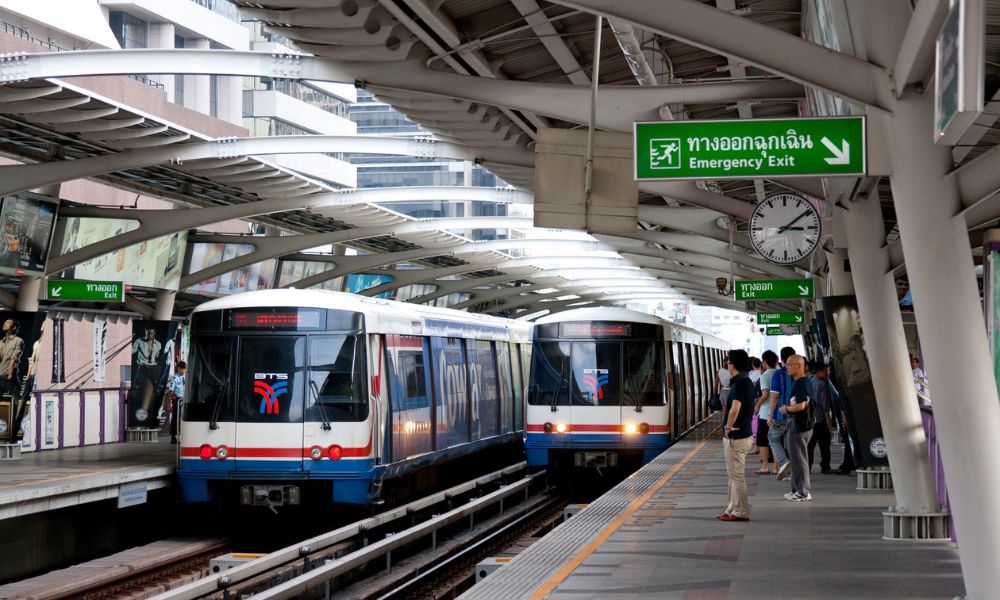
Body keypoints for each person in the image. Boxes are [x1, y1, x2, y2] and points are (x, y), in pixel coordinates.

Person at [717, 349, 756, 522]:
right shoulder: (745, 382)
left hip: (737, 437)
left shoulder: (739, 385)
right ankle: (732, 508)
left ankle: (740, 511)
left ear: (733, 364)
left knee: (737, 477)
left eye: (729, 361)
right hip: (741, 436)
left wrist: (728, 427)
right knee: (733, 476)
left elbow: (735, 408)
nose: (727, 364)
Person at [779, 355, 814, 501]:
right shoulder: (805, 381)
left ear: (800, 366)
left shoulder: (800, 383)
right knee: (796, 458)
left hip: (799, 424)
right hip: (804, 424)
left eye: (789, 365)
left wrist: (786, 409)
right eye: (786, 364)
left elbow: (801, 405)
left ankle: (803, 492)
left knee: (799, 459)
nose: (786, 367)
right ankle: (796, 490)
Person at [767, 346, 797, 481]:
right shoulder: (798, 374)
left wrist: (770, 415)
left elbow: (774, 396)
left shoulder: (778, 374)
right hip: (794, 415)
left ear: (782, 359)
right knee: (788, 444)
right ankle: (792, 474)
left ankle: (784, 462)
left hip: (780, 415)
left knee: (773, 439)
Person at [753, 350, 779, 474]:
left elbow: (765, 394)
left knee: (763, 441)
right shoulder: (780, 373)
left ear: (764, 362)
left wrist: (757, 405)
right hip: (778, 413)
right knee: (776, 441)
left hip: (765, 414)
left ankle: (765, 467)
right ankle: (776, 467)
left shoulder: (764, 375)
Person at [131, 326, 162, 423]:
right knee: (136, 386)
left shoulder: (158, 344)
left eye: (151, 333)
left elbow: (157, 356)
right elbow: (132, 350)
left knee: (157, 387)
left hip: (153, 367)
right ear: (145, 332)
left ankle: (156, 408)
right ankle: (133, 406)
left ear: (154, 333)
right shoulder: (139, 341)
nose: (149, 335)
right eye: (147, 333)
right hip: (142, 367)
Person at [807, 362, 834, 474]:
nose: (827, 373)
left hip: (810, 419)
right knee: (825, 444)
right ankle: (825, 467)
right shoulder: (822, 384)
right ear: (818, 372)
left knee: (810, 445)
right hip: (821, 419)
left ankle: (808, 467)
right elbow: (825, 404)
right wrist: (829, 420)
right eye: (825, 371)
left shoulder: (809, 380)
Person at [0, 319, 24, 406]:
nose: (4, 324)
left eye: (7, 323)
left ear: (13, 327)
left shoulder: (18, 341)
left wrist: (10, 375)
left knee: (16, 400)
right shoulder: (1, 342)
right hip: (0, 375)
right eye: (4, 322)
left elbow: (14, 358)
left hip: (9, 376)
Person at [167, 361, 185, 444]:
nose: (183, 371)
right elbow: (171, 391)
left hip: (183, 400)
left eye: (184, 369)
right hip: (177, 400)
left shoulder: (183, 378)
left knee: (182, 419)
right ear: (178, 369)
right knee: (175, 418)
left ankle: (180, 435)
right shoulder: (175, 378)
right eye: (182, 369)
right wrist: (170, 400)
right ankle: (173, 437)